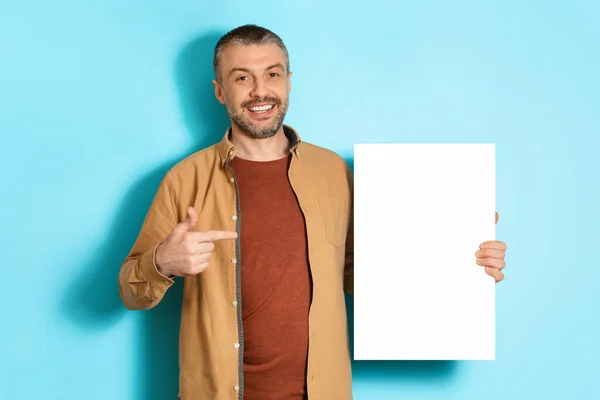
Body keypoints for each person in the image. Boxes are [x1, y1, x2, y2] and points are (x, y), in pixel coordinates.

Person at [118, 24, 508, 400]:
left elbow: (361, 272)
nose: (260, 91)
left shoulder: (333, 171)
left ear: (289, 80)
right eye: (242, 78)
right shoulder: (184, 179)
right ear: (220, 91)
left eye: (272, 74)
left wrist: (461, 268)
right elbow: (130, 291)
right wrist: (162, 262)